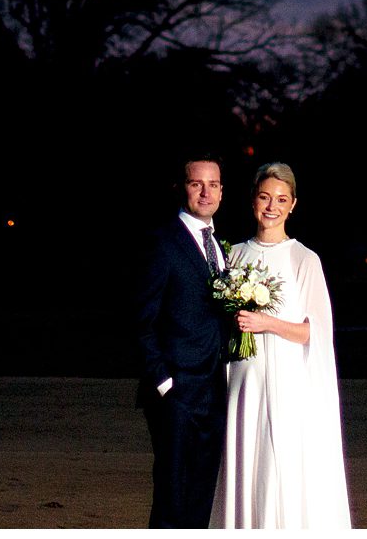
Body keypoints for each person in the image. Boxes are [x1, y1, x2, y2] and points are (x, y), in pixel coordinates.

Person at [209, 162, 351, 529]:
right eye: (265, 197)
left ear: (293, 205)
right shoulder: (234, 254)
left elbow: (314, 332)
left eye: (281, 199)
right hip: (244, 377)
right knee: (244, 457)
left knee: (276, 463)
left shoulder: (304, 259)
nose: (272, 206)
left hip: (286, 380)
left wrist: (266, 323)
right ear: (253, 200)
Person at [134, 155, 232, 528]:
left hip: (214, 390)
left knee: (201, 494)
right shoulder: (162, 243)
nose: (205, 192)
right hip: (176, 394)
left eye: (213, 184)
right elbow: (141, 320)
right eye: (196, 184)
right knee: (172, 494)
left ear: (222, 191)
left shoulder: (221, 247)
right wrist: (163, 382)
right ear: (182, 188)